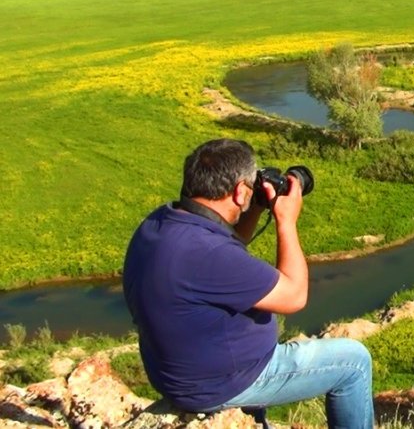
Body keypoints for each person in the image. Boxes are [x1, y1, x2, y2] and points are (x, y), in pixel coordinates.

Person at [123, 138, 374, 428]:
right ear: (240, 191)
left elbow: (228, 246)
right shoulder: (208, 253)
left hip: (179, 371)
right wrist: (286, 221)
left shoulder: (160, 222)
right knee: (354, 362)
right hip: (221, 383)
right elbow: (294, 296)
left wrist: (254, 207)